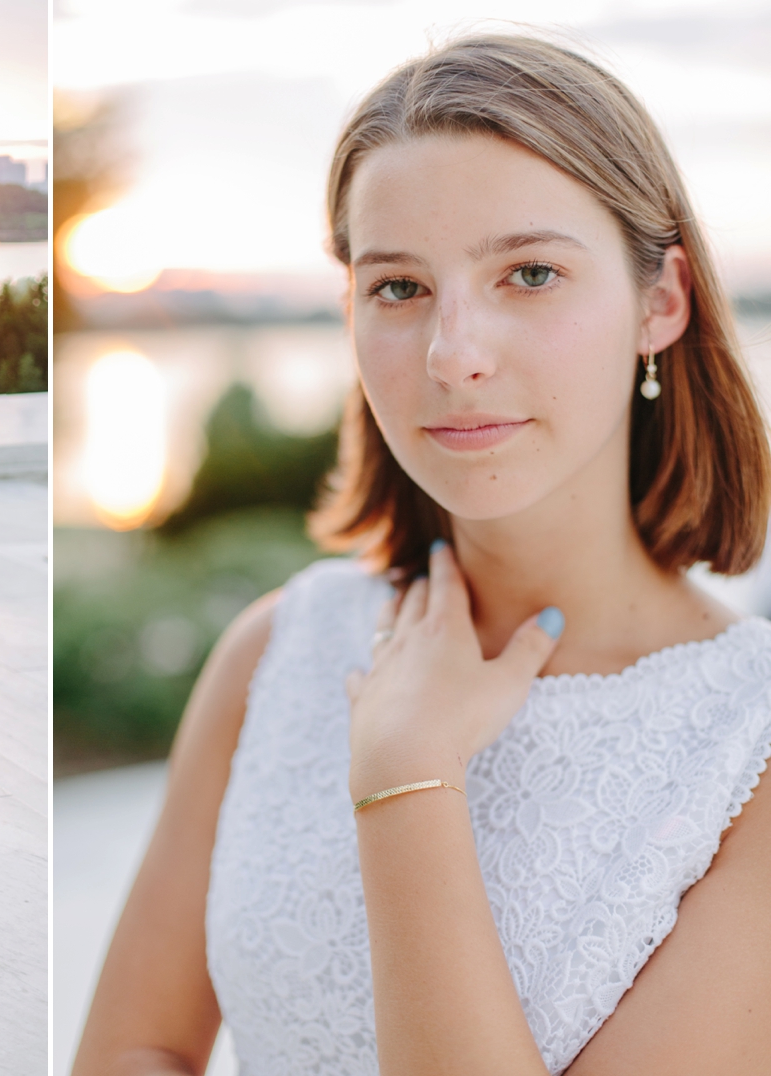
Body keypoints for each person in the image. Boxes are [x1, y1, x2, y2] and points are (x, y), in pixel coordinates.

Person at [72, 34, 771, 1076]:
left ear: (660, 302)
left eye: (529, 273)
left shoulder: (747, 747)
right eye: (399, 287)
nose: (454, 354)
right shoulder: (280, 645)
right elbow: (134, 1046)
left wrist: (407, 779)